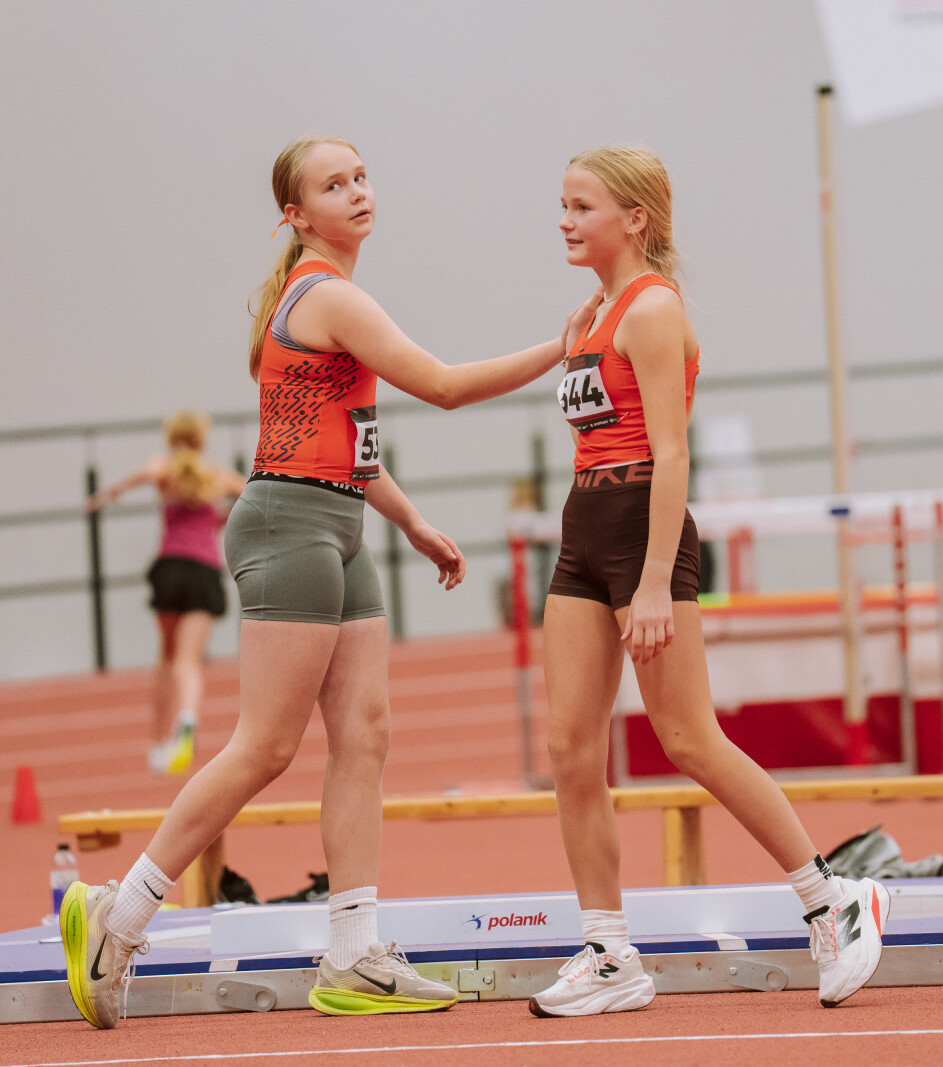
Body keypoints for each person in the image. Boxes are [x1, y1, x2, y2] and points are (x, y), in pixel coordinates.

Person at [58, 136, 601, 1028]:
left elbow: (347, 441)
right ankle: (121, 916)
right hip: (290, 524)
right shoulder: (328, 296)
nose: (357, 192)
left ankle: (353, 952)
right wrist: (563, 344)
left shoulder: (326, 297)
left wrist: (410, 520)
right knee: (266, 745)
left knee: (366, 734)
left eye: (361, 177)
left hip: (339, 521)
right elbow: (444, 387)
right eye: (333, 184)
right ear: (296, 214)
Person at [530, 147, 890, 1019]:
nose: (565, 221)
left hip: (642, 531)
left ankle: (831, 896)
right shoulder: (592, 314)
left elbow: (672, 452)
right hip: (583, 527)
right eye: (563, 205)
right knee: (571, 749)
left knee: (689, 736)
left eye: (582, 206)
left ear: (635, 219)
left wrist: (656, 581)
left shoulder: (653, 309)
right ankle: (610, 952)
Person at [86, 411, 246, 775]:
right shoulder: (215, 476)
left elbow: (147, 474)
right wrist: (221, 517)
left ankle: (158, 744)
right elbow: (251, 491)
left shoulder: (165, 469)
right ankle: (186, 719)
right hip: (203, 571)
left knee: (167, 656)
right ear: (202, 440)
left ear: (171, 438)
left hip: (170, 569)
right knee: (189, 661)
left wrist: (109, 494)